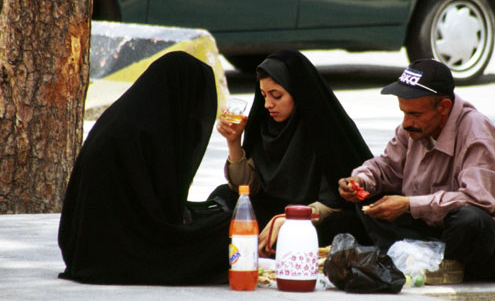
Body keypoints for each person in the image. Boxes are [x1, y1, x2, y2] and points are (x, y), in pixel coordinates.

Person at [338, 59, 495, 282]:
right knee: (369, 201)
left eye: (415, 114)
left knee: (468, 219)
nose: (407, 122)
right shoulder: (411, 130)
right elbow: (387, 167)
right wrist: (361, 180)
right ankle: (428, 260)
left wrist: (409, 205)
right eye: (404, 112)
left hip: (494, 245)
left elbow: (479, 200)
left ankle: (436, 263)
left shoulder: (475, 130)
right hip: (436, 231)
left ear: (444, 107)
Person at [58, 51, 232, 285]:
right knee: (230, 232)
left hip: (85, 248)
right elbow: (159, 218)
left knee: (224, 206)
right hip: (117, 253)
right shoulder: (143, 133)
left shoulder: (128, 119)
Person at [212, 49, 373, 255]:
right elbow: (245, 188)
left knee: (341, 227)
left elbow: (337, 201)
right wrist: (234, 142)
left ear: (298, 91)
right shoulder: (265, 125)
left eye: (277, 96)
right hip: (273, 213)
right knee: (223, 198)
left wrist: (290, 218)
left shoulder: (325, 128)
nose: (268, 104)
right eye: (263, 96)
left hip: (313, 218)